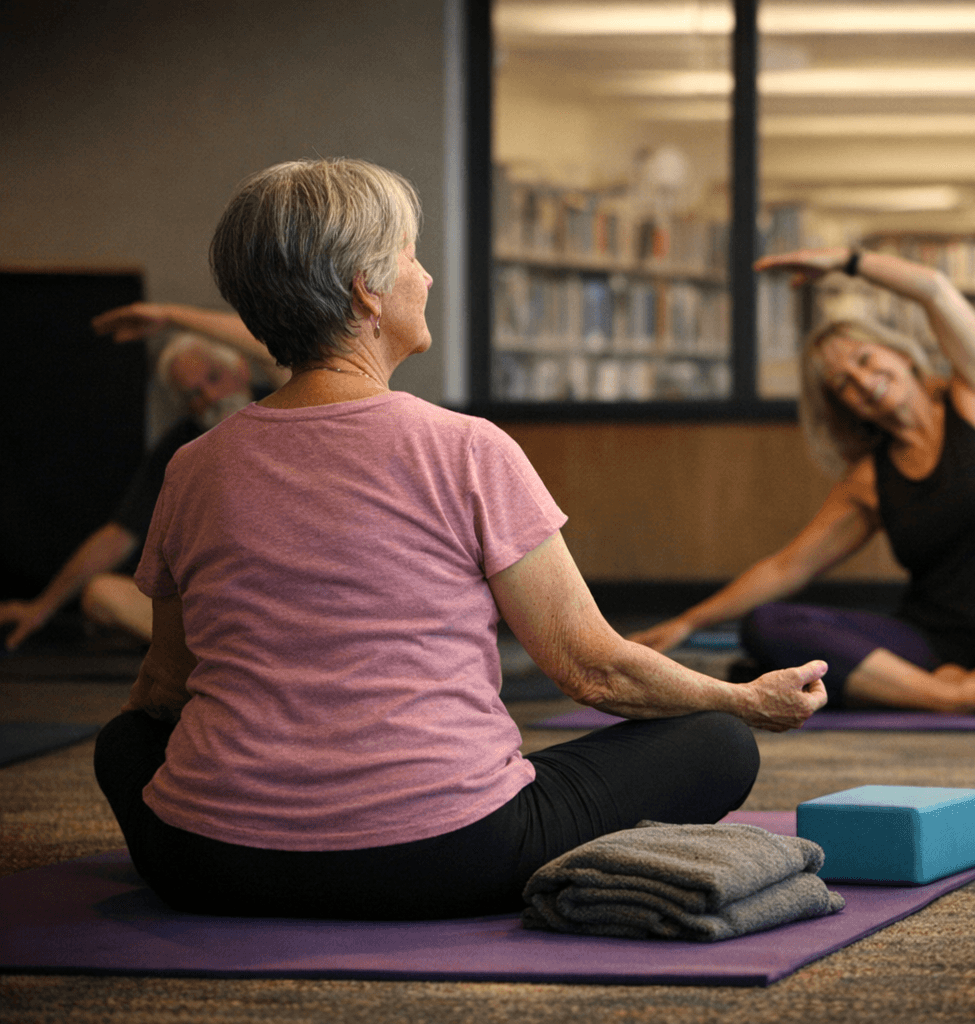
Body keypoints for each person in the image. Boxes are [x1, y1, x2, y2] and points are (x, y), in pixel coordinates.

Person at [92, 158, 827, 921]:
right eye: (411, 256)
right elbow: (596, 673)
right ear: (365, 290)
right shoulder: (466, 448)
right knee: (715, 741)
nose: (428, 276)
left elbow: (165, 687)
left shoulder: (193, 465)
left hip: (209, 864)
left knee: (122, 744)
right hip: (444, 859)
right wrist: (745, 701)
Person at [632, 247, 975, 716]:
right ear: (843, 405)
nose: (860, 380)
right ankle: (951, 699)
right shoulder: (869, 480)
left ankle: (957, 686)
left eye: (864, 358)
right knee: (769, 627)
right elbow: (789, 565)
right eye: (843, 384)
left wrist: (846, 261)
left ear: (900, 352)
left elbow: (935, 291)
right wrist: (687, 624)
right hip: (930, 647)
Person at [0, 327, 274, 650]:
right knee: (101, 595)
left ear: (240, 368)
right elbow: (119, 535)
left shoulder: (289, 403)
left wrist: (170, 316)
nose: (210, 398)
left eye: (214, 378)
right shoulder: (183, 445)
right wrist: (42, 607)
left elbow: (283, 351)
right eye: (193, 395)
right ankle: (233, 655)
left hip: (292, 596)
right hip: (225, 609)